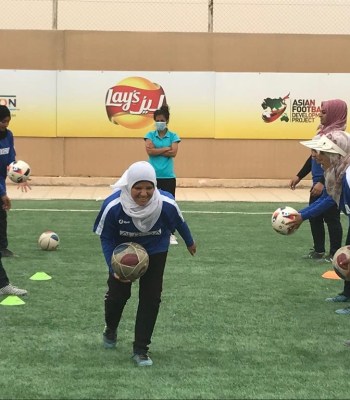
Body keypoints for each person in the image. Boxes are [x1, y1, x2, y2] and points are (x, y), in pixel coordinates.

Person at [93, 161, 196, 367]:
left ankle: (141, 350)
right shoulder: (114, 206)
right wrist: (113, 266)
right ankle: (111, 328)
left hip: (156, 249)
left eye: (149, 188)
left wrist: (189, 241)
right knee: (117, 296)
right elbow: (106, 237)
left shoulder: (165, 203)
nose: (144, 193)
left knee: (151, 298)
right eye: (138, 188)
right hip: (124, 253)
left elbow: (179, 222)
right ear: (129, 186)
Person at [287, 131, 350, 314]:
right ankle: (347, 293)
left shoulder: (347, 176)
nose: (315, 156)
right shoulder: (339, 172)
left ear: (335, 154)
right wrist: (301, 216)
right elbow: (328, 199)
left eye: (320, 152)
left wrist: (302, 216)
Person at [289, 99, 346, 261]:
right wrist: (300, 175)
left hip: (327, 184)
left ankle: (335, 252)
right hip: (322, 185)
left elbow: (335, 165)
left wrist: (322, 181)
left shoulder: (337, 139)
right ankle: (319, 250)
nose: (319, 114)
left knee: (332, 218)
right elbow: (313, 159)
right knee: (316, 214)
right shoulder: (322, 133)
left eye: (324, 111)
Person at [144, 105, 181, 245]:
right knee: (150, 204)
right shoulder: (149, 135)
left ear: (167, 121)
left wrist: (156, 149)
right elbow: (149, 152)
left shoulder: (173, 136)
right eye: (157, 120)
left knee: (169, 205)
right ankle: (151, 230)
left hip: (168, 177)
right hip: (152, 176)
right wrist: (166, 148)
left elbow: (174, 153)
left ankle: (170, 233)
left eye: (162, 120)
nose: (159, 122)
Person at [0, 105, 31, 257]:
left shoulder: (9, 135)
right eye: (3, 122)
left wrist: (20, 177)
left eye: (7, 121)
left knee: (2, 213)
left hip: (0, 179)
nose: (5, 125)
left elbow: (11, 159)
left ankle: (2, 248)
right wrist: (2, 193)